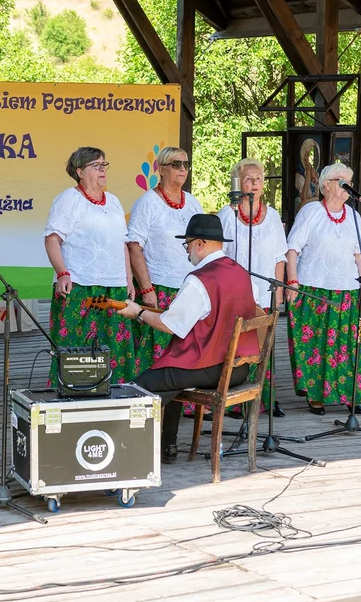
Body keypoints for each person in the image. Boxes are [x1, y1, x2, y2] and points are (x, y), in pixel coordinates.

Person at [118, 214, 258, 463]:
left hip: (211, 366)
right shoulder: (240, 272)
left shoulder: (199, 280)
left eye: (188, 244)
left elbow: (171, 326)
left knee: (140, 385)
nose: (187, 251)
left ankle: (128, 451)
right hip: (239, 366)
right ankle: (166, 446)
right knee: (171, 377)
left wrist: (138, 312)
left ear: (200, 244)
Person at [285, 162, 361, 415]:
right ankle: (316, 396)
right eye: (342, 180)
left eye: (350, 181)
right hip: (313, 288)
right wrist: (292, 280)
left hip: (347, 289)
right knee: (316, 343)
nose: (348, 186)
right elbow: (293, 248)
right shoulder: (311, 211)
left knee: (347, 345)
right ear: (326, 185)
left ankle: (349, 393)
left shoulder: (354, 216)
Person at [45, 146, 138, 384]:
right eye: (96, 165)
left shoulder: (114, 202)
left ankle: (115, 399)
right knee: (77, 348)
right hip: (81, 287)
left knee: (114, 347)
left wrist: (128, 278)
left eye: (104, 164)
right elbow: (52, 238)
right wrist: (62, 273)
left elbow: (122, 244)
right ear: (80, 172)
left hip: (113, 287)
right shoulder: (69, 199)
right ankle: (73, 398)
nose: (102, 169)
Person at [217, 158, 287, 417]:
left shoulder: (273, 216)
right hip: (235, 294)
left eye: (258, 178)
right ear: (238, 182)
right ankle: (235, 400)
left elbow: (280, 257)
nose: (254, 183)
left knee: (262, 348)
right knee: (235, 348)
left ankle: (264, 399)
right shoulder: (228, 214)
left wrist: (278, 290)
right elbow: (218, 257)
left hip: (265, 292)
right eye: (248, 178)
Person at [126, 146, 203, 368]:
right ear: (161, 169)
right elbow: (134, 246)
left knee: (188, 352)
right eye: (176, 164)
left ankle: (187, 402)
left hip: (189, 289)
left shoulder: (192, 202)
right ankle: (153, 401)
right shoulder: (147, 203)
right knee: (157, 353)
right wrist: (147, 289)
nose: (182, 169)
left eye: (186, 164)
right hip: (160, 288)